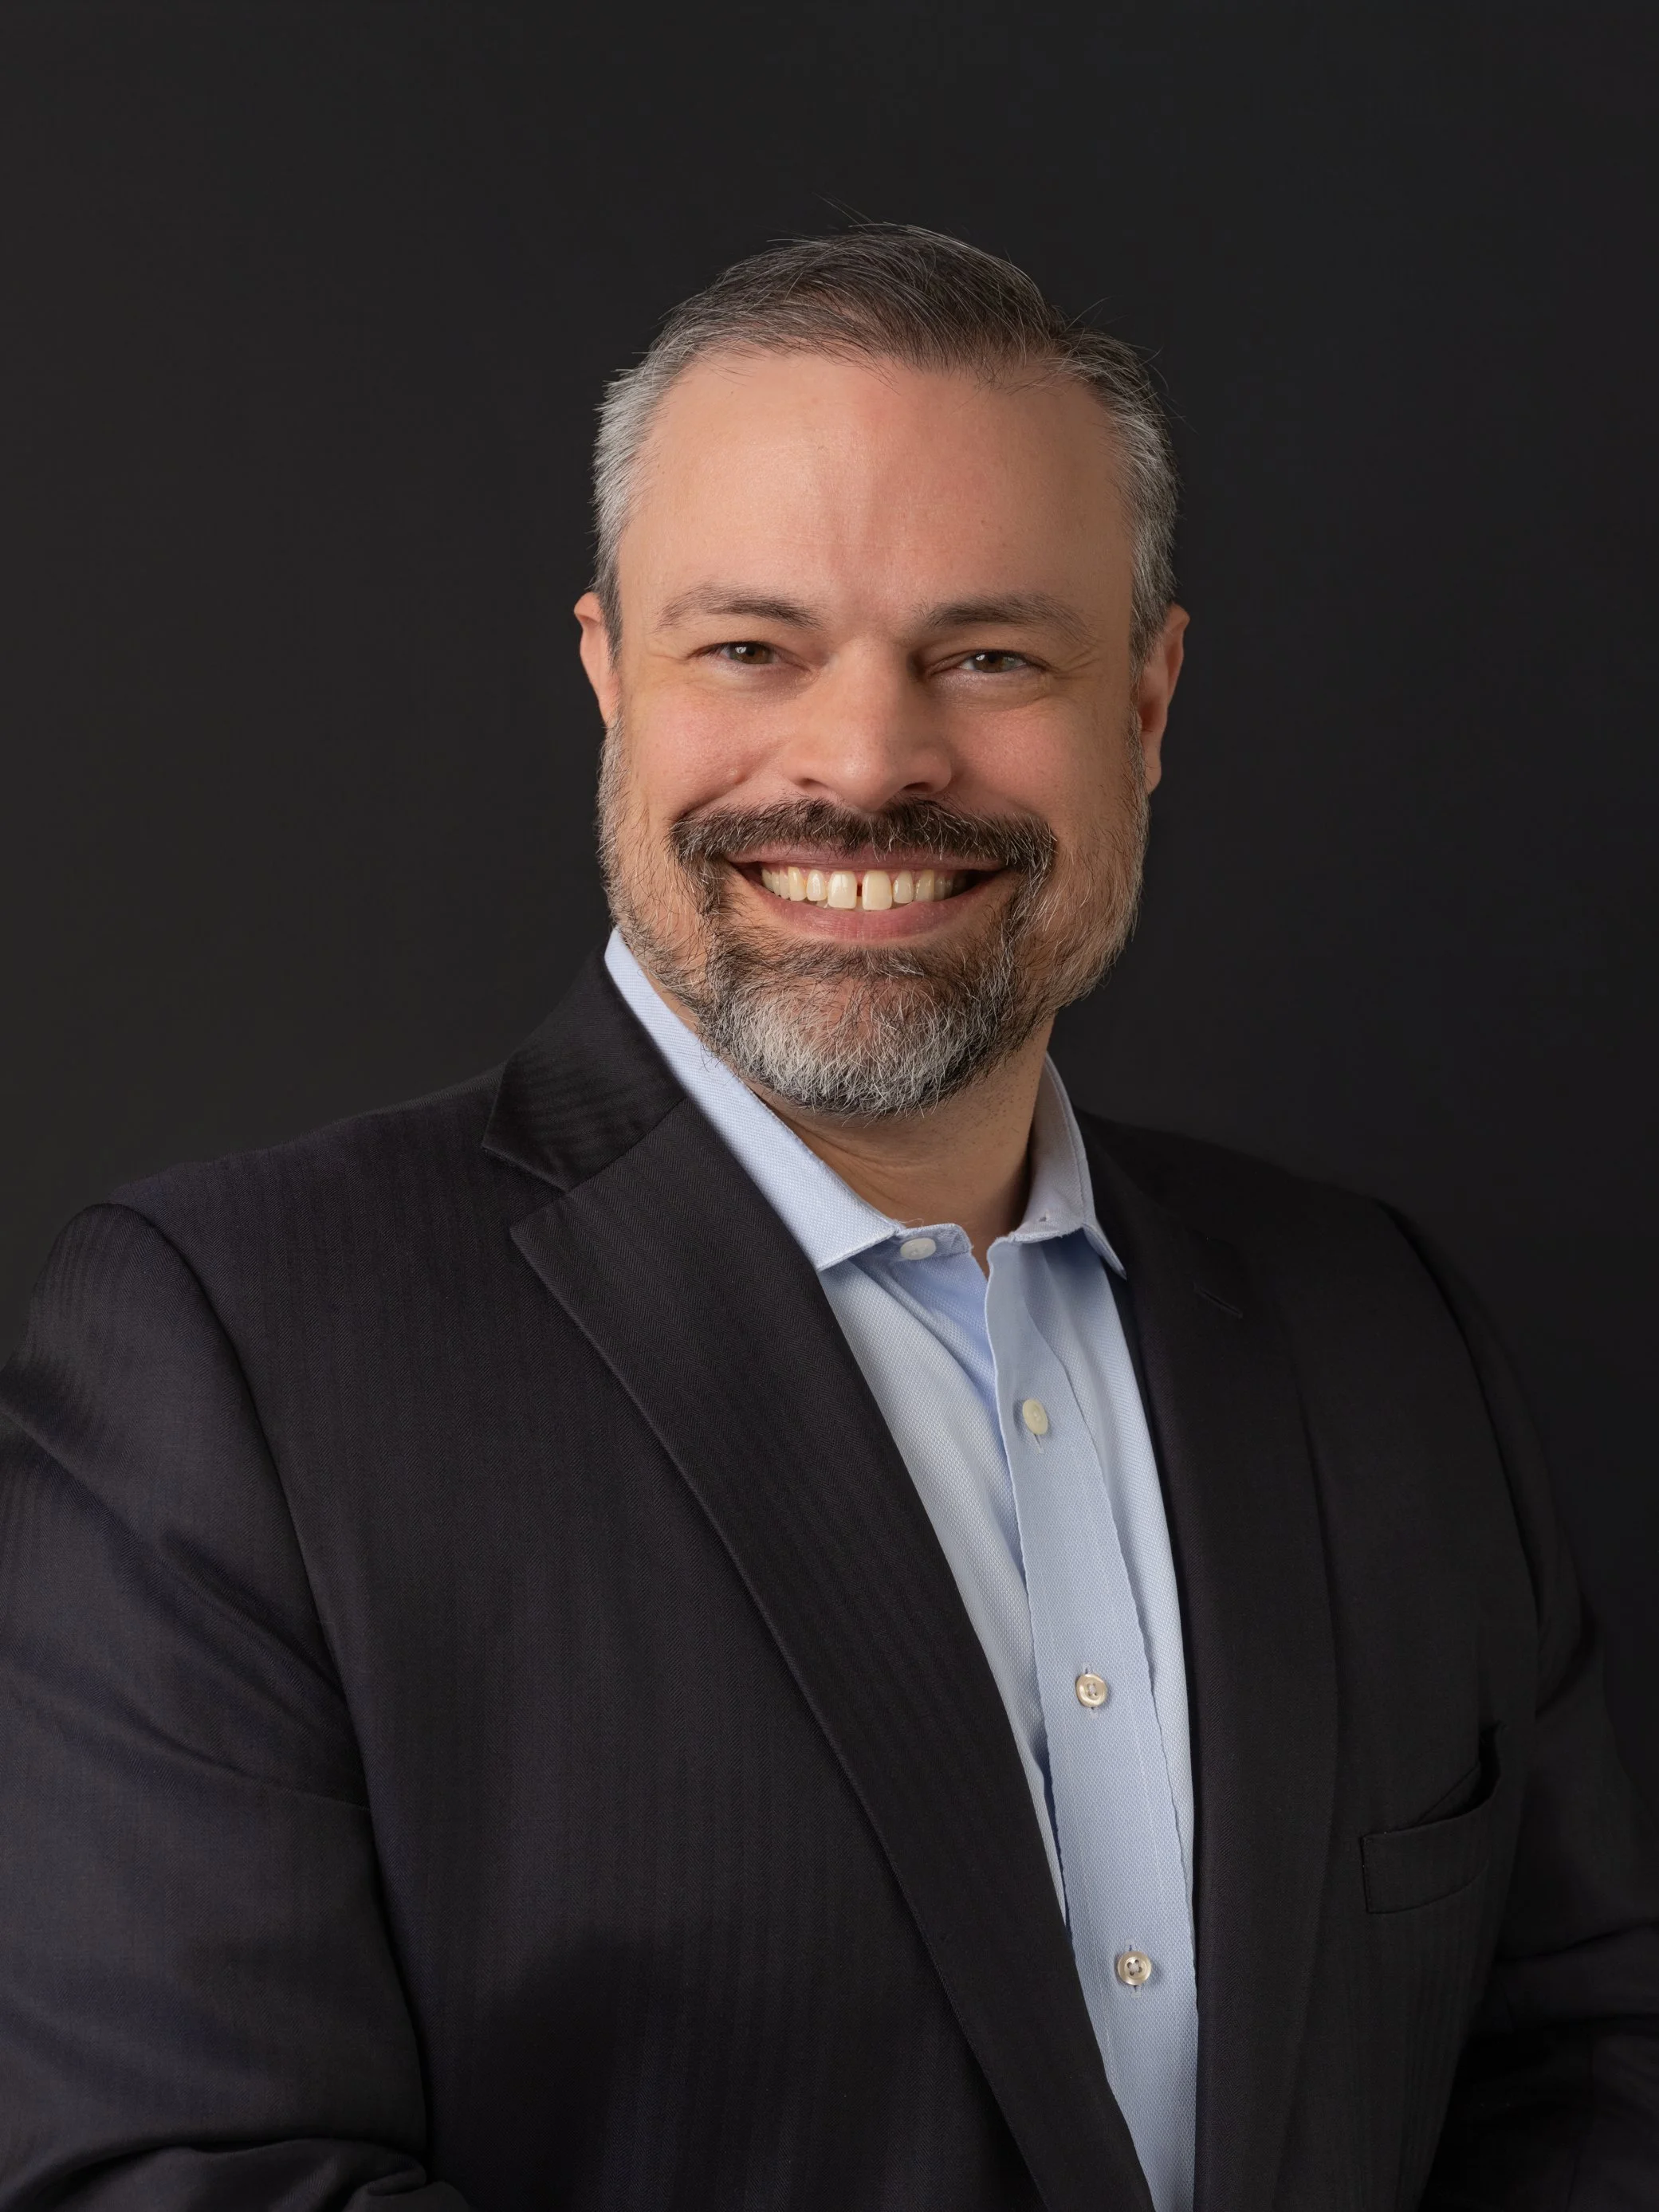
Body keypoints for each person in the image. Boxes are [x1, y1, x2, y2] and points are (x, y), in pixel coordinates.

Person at [1, 225, 1654, 2212]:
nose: (865, 761)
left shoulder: (1374, 1330)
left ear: (1143, 701)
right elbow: (187, 2179)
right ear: (611, 671)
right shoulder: (237, 1352)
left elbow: (1581, 2077)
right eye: (751, 649)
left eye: (987, 654)